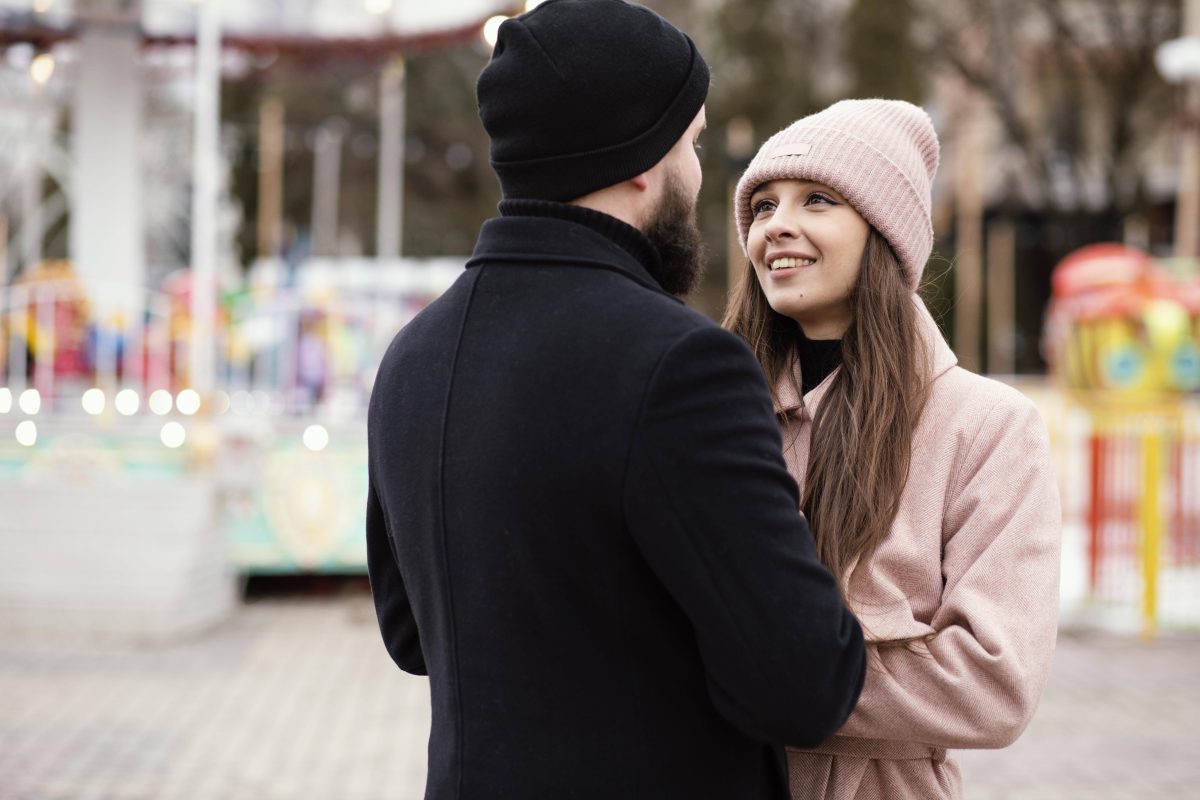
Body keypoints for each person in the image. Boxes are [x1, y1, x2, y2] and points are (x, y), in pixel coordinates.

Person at [365, 2, 866, 798]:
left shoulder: (411, 358)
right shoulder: (681, 365)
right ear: (642, 158)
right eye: (693, 143)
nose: (700, 174)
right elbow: (802, 683)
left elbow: (409, 632)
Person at [725, 98, 1062, 799]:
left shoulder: (985, 426)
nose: (776, 225)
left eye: (817, 199)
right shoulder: (713, 413)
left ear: (884, 233)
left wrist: (780, 676)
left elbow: (994, 683)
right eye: (762, 207)